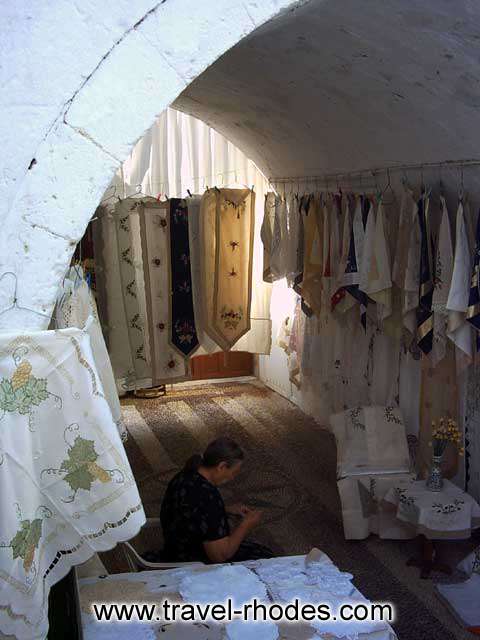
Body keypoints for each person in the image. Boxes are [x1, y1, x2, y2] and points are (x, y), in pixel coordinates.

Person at [158, 437, 274, 563]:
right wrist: (246, 524)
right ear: (222, 466)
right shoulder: (208, 495)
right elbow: (221, 556)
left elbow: (193, 511)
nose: (232, 477)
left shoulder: (185, 474)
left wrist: (224, 510)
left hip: (175, 547)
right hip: (192, 561)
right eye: (233, 472)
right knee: (265, 558)